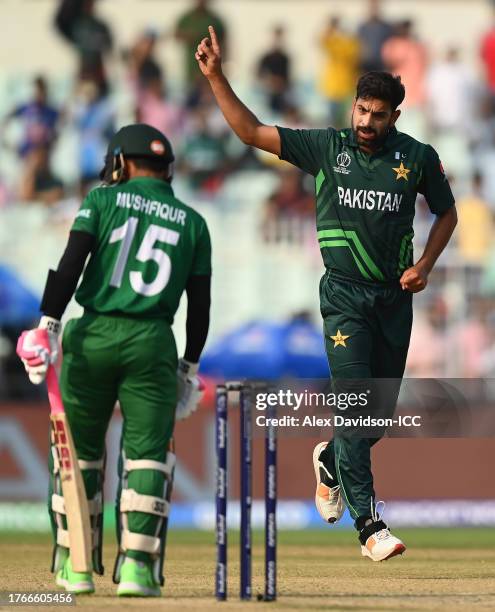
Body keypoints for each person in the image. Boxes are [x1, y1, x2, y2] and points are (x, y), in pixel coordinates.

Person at [196, 27, 457, 561]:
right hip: (343, 298)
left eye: (378, 114)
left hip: (394, 298)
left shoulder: (417, 157)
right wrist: (216, 76)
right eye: (361, 110)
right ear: (352, 106)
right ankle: (370, 526)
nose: (366, 122)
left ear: (395, 118)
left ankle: (332, 462)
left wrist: (425, 264)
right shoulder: (327, 147)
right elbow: (249, 132)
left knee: (375, 421)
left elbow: (447, 211)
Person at [16, 124, 212, 596]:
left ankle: (75, 565)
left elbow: (72, 262)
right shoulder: (193, 221)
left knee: (78, 454)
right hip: (154, 343)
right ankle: (137, 570)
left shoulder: (102, 200)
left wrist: (48, 325)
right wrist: (188, 368)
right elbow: (200, 306)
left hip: (94, 335)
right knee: (147, 455)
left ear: (120, 163)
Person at [319, 17, 361, 128]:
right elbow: (322, 40)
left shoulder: (352, 44)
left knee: (346, 122)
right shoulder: (336, 42)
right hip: (334, 89)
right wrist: (331, 27)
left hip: (347, 89)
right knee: (333, 122)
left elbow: (356, 60)